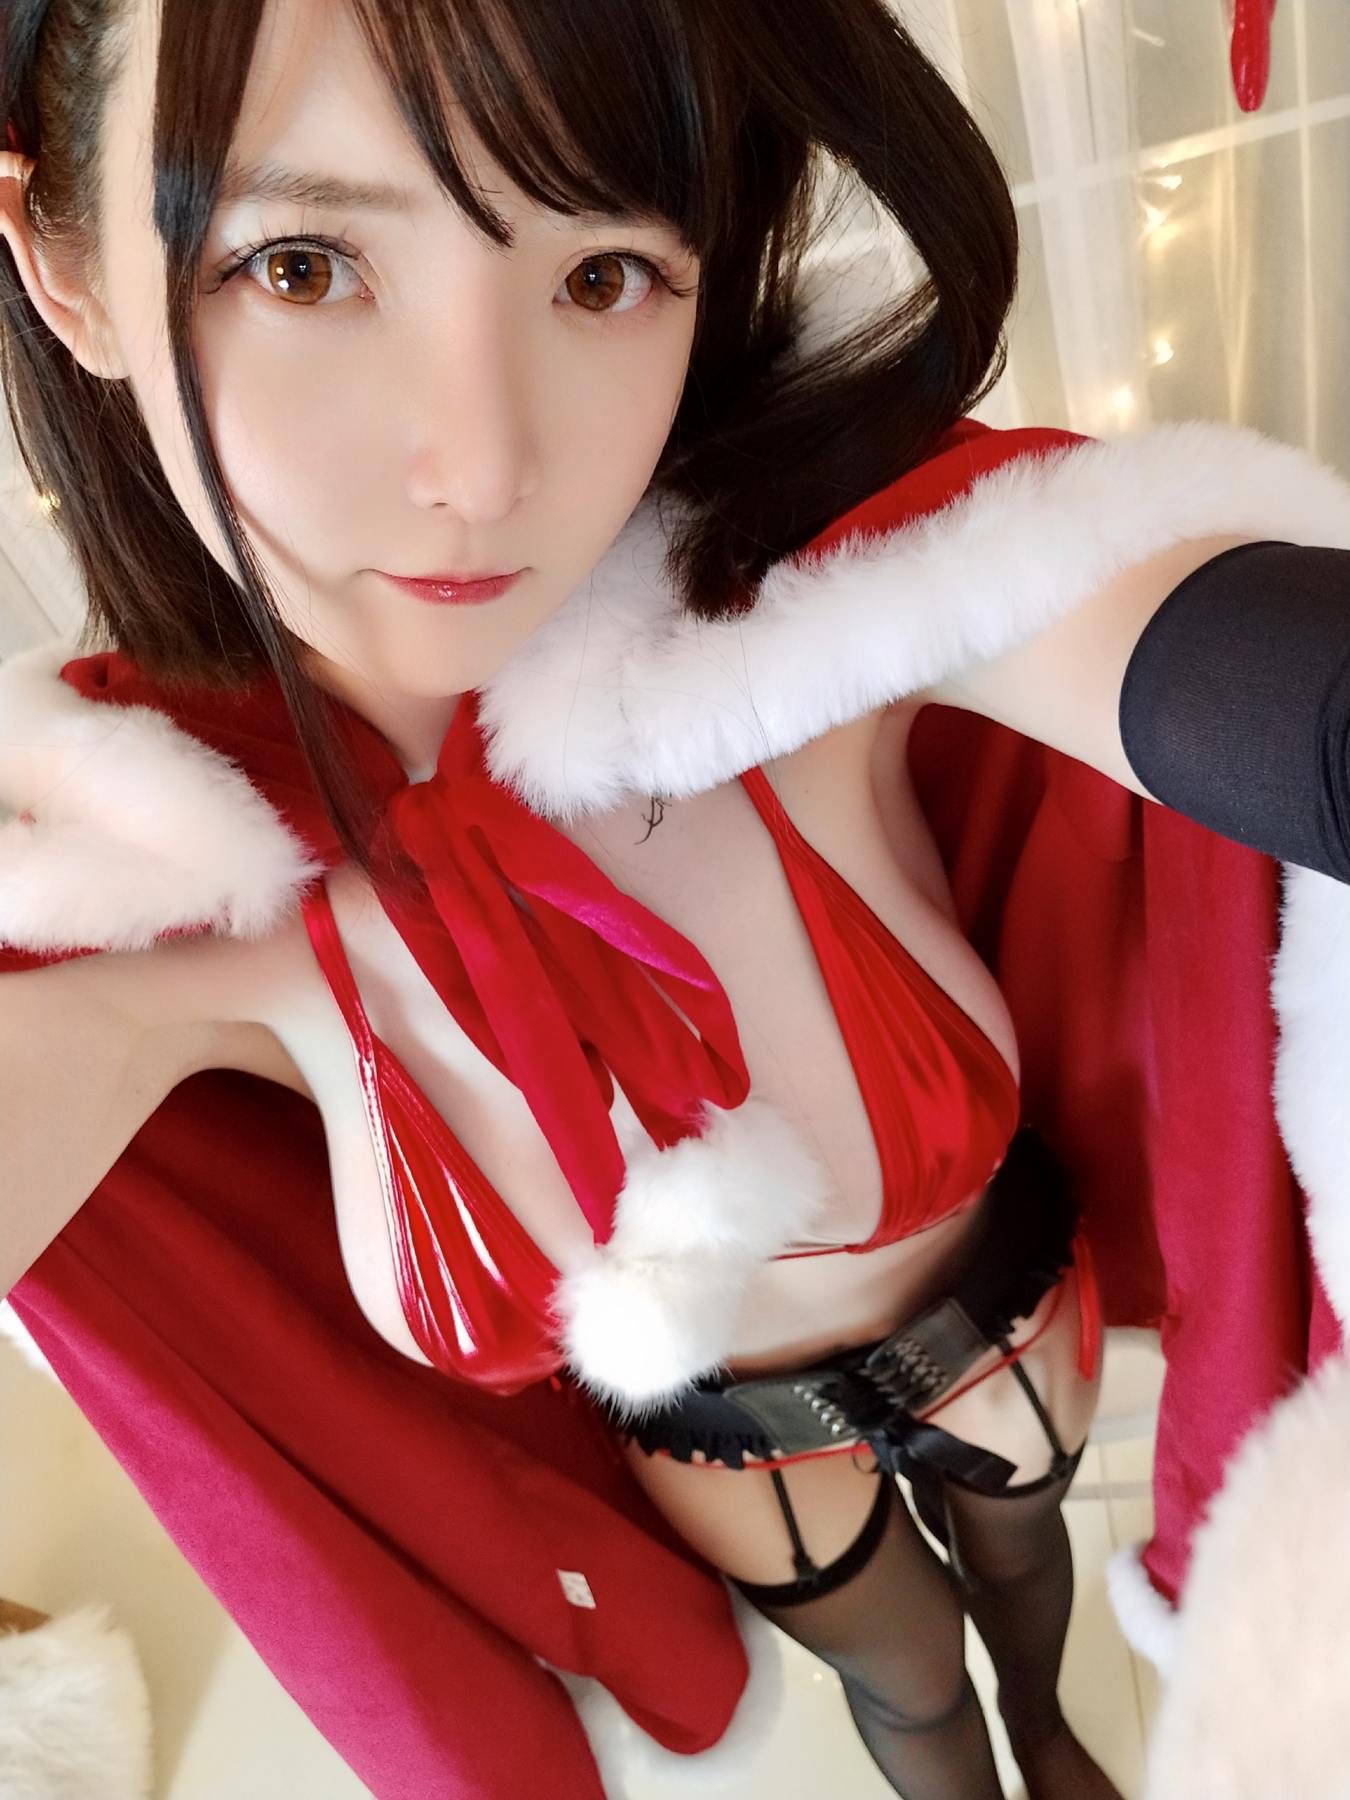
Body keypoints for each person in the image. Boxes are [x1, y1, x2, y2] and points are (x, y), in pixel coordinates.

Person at [0, 3, 1347, 1798]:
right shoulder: (148, 898)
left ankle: (1051, 1735)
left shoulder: (814, 629)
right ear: (65, 267)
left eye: (604, 272)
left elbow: (1230, 671)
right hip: (727, 1450)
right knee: (910, 1701)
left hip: (1004, 1325)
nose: (484, 468)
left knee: (1023, 1612)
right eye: (301, 264)